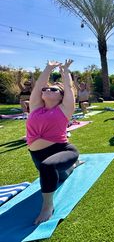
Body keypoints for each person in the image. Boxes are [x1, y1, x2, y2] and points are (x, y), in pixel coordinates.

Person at [26, 59, 82, 224]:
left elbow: (70, 90)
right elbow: (38, 86)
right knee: (59, 176)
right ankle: (72, 166)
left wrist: (65, 72)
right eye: (46, 89)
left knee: (48, 167)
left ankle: (47, 207)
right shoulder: (35, 106)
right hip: (37, 155)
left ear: (61, 96)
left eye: (54, 89)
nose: (47, 89)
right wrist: (48, 68)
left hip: (63, 150)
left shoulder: (64, 109)